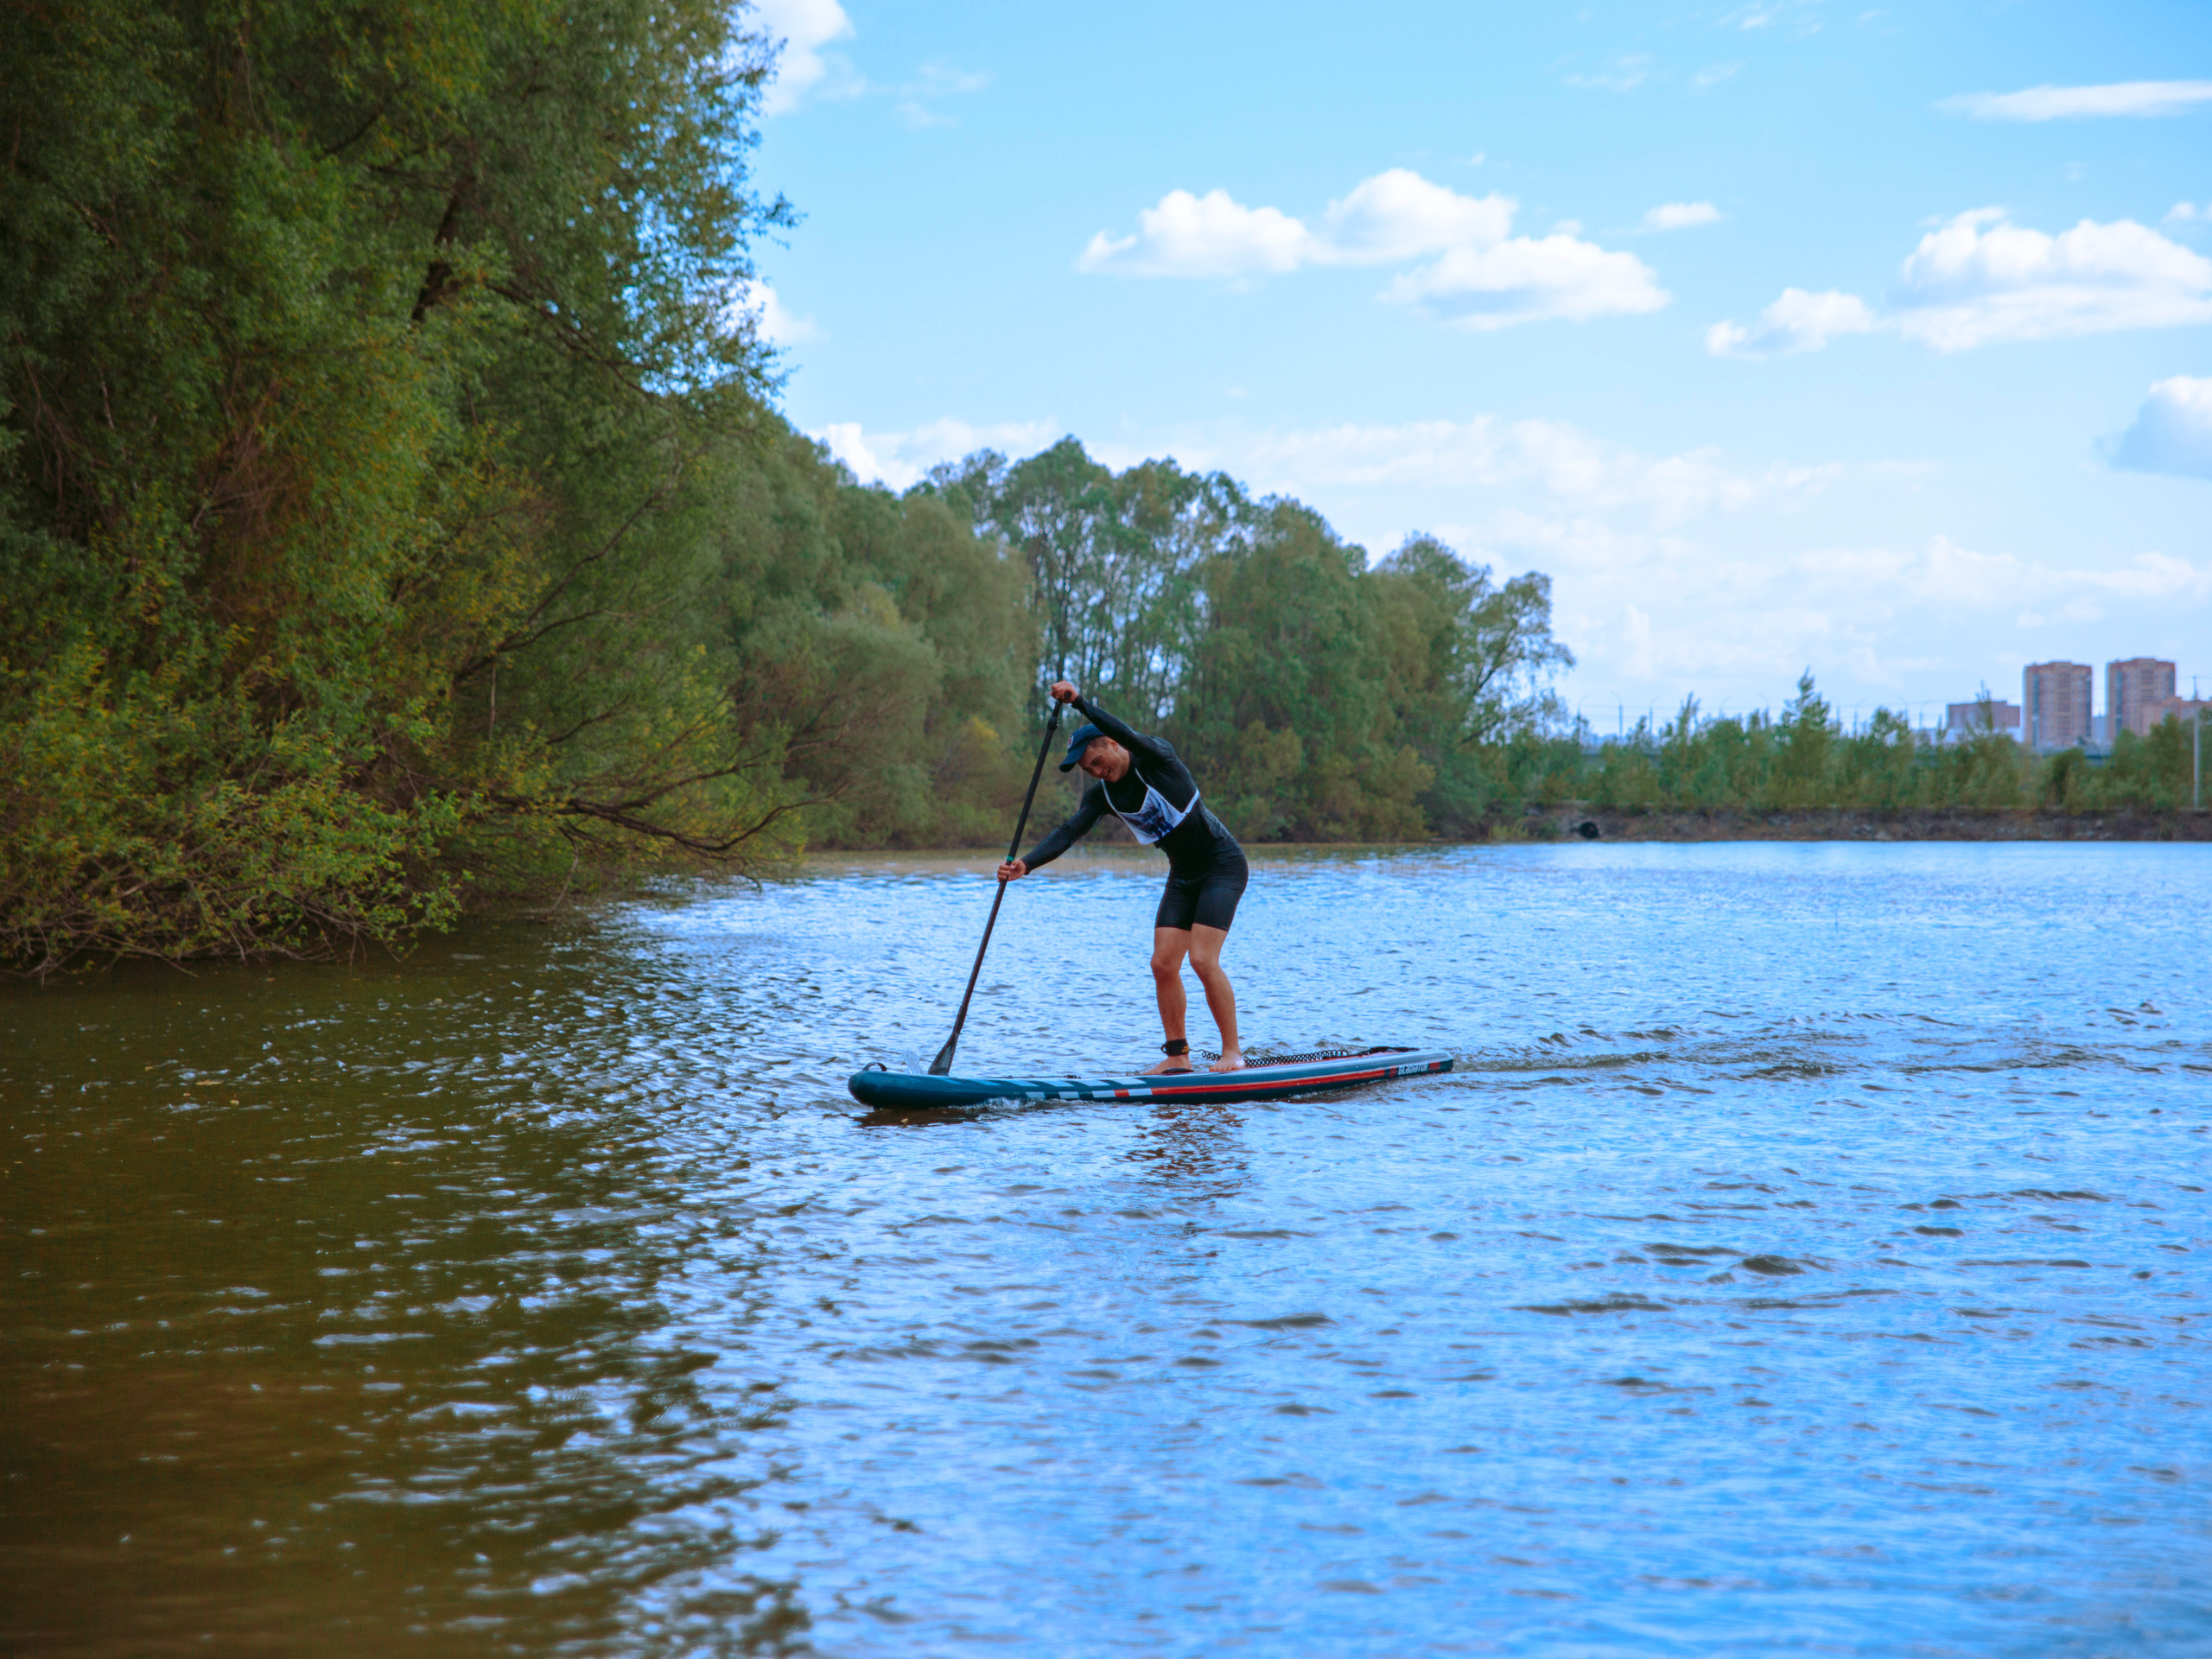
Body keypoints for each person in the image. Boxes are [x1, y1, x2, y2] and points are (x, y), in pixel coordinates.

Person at [998, 680, 1249, 1074]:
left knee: (1202, 959)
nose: (1098, 772)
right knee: (1163, 965)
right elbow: (1068, 832)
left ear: (1112, 744)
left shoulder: (1156, 758)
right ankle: (1177, 1056)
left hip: (1222, 865)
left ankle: (1232, 1052)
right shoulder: (1104, 795)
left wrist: (1079, 702)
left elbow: (1128, 733)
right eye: (1089, 770)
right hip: (1183, 874)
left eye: (1098, 761)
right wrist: (1025, 865)